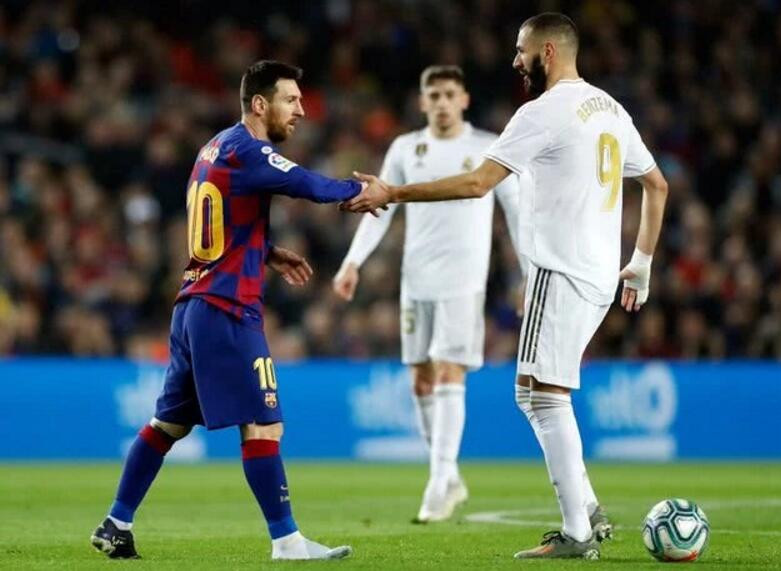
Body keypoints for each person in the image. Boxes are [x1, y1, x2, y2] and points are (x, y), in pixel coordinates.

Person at [343, 13, 669, 560]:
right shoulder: (611, 108)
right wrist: (642, 263)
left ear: (546, 52)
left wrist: (392, 193)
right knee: (540, 393)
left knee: (540, 395)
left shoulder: (542, 112)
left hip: (560, 269)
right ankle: (586, 508)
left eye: (520, 51)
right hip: (599, 275)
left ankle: (577, 533)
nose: (514, 61)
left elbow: (477, 184)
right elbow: (655, 185)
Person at [91, 60, 368, 561]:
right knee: (263, 425)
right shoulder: (249, 149)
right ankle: (287, 541)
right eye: (292, 100)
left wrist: (264, 250)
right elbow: (305, 183)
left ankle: (116, 521)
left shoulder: (213, 147)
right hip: (226, 309)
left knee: (167, 426)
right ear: (260, 104)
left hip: (194, 306)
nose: (302, 110)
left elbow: (220, 221)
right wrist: (361, 191)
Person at [332, 65, 525, 523]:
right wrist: (352, 262)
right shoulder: (405, 147)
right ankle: (448, 474)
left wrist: (526, 273)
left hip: (464, 280)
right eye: (432, 95)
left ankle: (438, 484)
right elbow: (378, 207)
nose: (440, 102)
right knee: (420, 379)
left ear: (464, 100)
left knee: (448, 372)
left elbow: (516, 211)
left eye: (448, 94)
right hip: (416, 279)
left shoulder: (487, 147)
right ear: (422, 103)